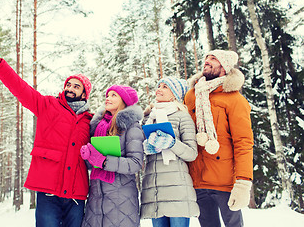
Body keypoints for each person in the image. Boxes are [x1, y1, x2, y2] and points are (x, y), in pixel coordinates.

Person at [0, 34, 93, 227]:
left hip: (76, 196)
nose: (70, 88)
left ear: (85, 93)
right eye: (68, 84)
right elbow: (20, 88)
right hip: (47, 191)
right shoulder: (47, 105)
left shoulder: (90, 120)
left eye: (76, 86)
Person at [184, 50, 254, 227]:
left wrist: (243, 182)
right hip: (198, 179)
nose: (207, 61)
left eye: (213, 59)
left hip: (225, 182)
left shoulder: (235, 99)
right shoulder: (192, 95)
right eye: (206, 58)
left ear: (224, 67)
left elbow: (243, 142)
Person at [80, 85, 144, 227]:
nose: (108, 98)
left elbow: (135, 163)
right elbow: (95, 163)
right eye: (107, 95)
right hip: (96, 196)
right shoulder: (98, 126)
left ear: (124, 100)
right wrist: (89, 157)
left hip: (121, 197)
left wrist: (103, 161)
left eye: (114, 95)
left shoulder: (132, 126)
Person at [140, 77, 200, 227]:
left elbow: (192, 153)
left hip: (177, 188)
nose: (159, 89)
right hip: (154, 188)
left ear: (174, 94)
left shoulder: (182, 116)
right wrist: (145, 148)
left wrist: (171, 143)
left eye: (165, 87)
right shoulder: (148, 118)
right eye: (159, 86)